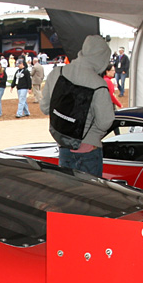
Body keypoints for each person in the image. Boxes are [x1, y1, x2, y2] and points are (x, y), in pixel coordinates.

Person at [40, 34, 117, 177]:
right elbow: (105, 122)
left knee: (68, 195)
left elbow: (45, 108)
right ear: (102, 57)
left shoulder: (57, 73)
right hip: (89, 150)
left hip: (64, 145)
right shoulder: (98, 85)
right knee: (89, 196)